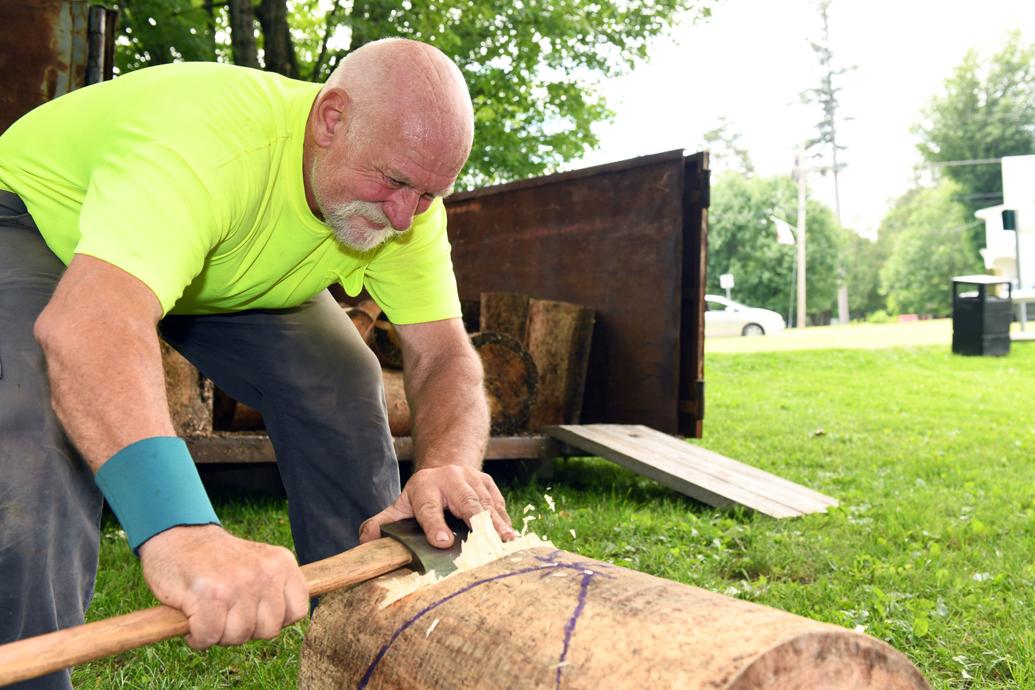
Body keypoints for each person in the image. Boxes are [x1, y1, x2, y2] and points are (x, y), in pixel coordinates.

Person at [0, 37, 515, 688]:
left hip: (217, 267)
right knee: (31, 415)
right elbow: (87, 325)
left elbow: (443, 355)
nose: (404, 217)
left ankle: (367, 643)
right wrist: (181, 529)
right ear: (331, 120)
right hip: (42, 222)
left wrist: (448, 465)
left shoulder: (405, 199)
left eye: (428, 195)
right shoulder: (208, 146)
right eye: (394, 183)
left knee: (341, 377)